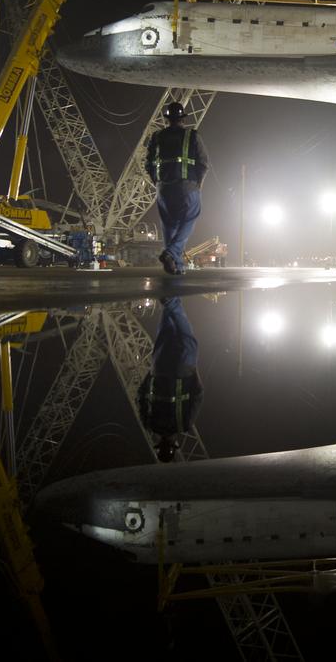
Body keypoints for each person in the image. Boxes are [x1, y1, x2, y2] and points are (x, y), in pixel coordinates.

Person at [145, 101, 209, 274]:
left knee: (169, 224)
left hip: (163, 187)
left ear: (168, 119)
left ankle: (176, 265)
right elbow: (203, 163)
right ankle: (171, 253)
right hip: (187, 186)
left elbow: (149, 164)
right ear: (182, 118)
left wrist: (157, 183)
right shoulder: (192, 135)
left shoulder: (157, 137)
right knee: (190, 217)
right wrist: (198, 184)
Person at [137, 297, 203, 462]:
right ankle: (167, 302)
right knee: (165, 335)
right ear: (158, 444)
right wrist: (151, 373)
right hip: (160, 372)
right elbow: (141, 396)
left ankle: (172, 301)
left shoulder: (184, 425)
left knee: (187, 340)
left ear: (174, 444)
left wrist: (193, 372)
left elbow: (198, 396)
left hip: (183, 373)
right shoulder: (149, 424)